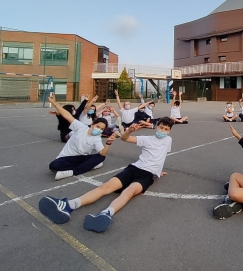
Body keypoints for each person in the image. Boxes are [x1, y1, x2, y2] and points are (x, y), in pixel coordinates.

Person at [38, 117, 175, 233]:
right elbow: (125, 139)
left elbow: (161, 156)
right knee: (106, 187)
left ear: (169, 131)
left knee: (129, 192)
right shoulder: (146, 139)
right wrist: (129, 130)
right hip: (134, 168)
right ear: (156, 126)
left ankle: (107, 213)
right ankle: (68, 205)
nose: (163, 131)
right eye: (161, 127)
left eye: (166, 129)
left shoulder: (168, 140)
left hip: (147, 175)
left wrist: (158, 171)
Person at [46, 95, 119, 181]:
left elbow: (102, 153)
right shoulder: (81, 127)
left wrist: (108, 143)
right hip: (67, 157)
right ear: (92, 125)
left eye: (102, 129)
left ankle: (72, 172)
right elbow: (68, 116)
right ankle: (89, 165)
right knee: (53, 166)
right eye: (98, 126)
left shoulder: (97, 139)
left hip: (81, 158)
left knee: (101, 157)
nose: (99, 130)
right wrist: (55, 103)